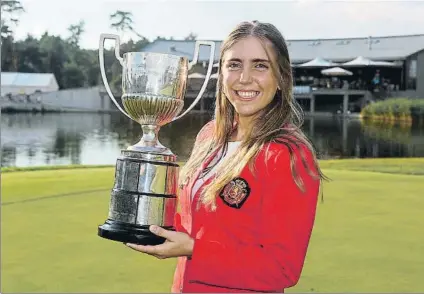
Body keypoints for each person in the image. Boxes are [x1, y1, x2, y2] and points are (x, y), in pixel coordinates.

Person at [125, 20, 327, 293]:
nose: (244, 78)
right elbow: (195, 224)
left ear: (281, 78)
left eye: (260, 65)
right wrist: (145, 220)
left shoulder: (287, 154)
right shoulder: (210, 135)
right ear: (222, 75)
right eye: (234, 64)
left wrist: (195, 250)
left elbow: (282, 268)